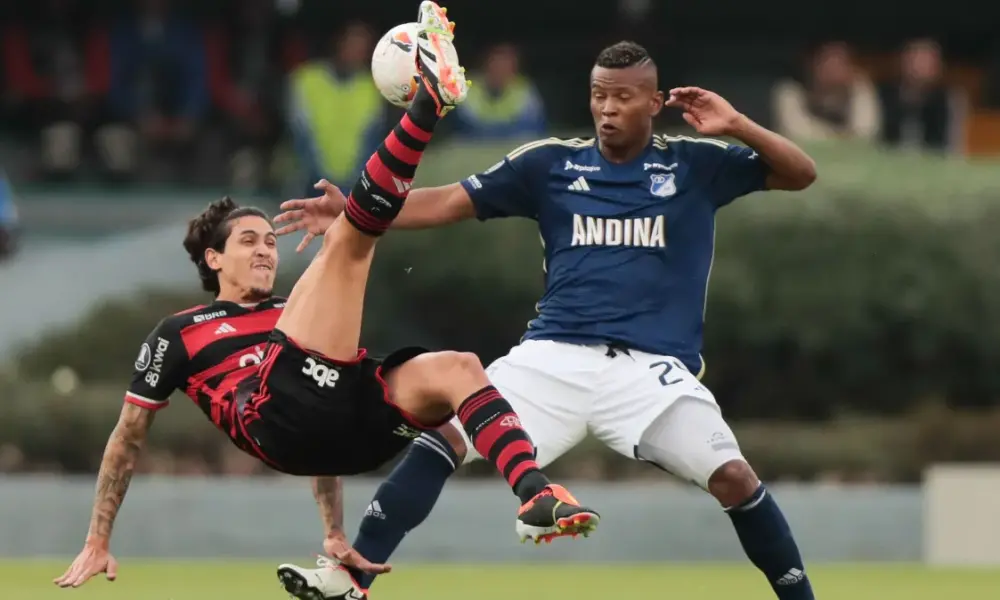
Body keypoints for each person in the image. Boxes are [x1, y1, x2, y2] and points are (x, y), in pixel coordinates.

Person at [52, 3, 597, 590]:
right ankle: (426, 107)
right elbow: (128, 435)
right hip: (271, 419)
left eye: (270, 241)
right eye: (248, 242)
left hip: (344, 434)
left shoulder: (290, 314)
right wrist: (97, 539)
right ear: (213, 260)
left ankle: (536, 495)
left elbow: (324, 407)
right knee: (350, 241)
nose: (266, 251)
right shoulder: (180, 332)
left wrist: (334, 531)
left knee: (459, 368)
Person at [274, 40, 820, 600]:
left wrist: (738, 125)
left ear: (655, 103)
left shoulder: (696, 164)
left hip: (651, 370)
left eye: (623, 97)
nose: (607, 108)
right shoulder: (550, 163)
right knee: (444, 439)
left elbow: (801, 174)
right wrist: (355, 212)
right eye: (599, 95)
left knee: (735, 478)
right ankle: (351, 581)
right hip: (553, 356)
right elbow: (448, 201)